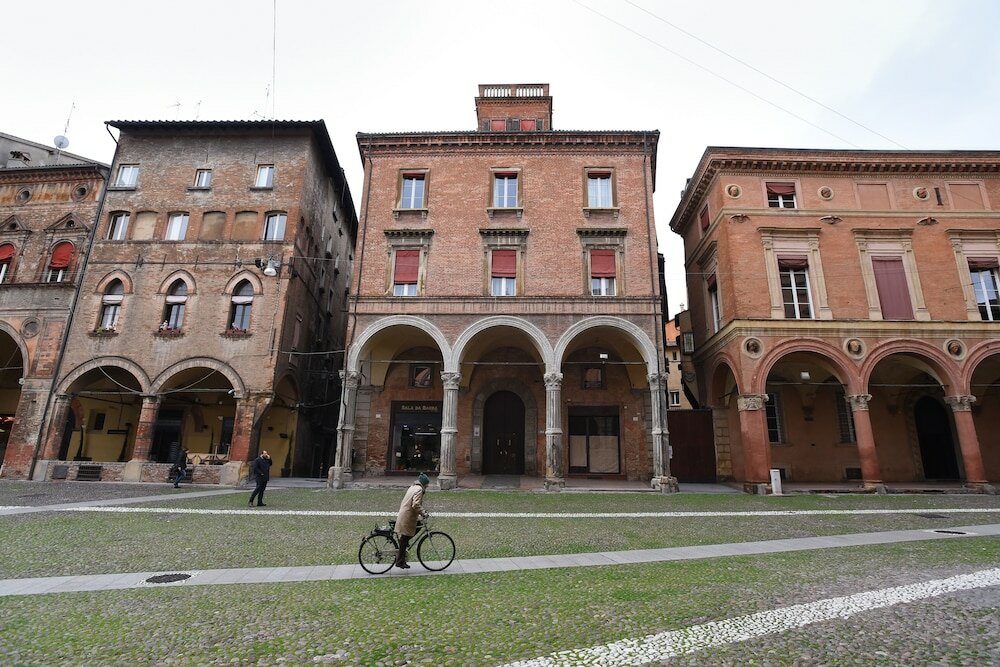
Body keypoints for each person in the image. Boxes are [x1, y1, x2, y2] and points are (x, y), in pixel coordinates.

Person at [394, 472, 430, 569]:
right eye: (427, 484)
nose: (427, 486)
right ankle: (400, 561)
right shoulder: (419, 489)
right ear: (424, 484)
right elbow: (415, 504)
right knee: (405, 539)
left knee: (416, 527)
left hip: (406, 514)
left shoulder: (413, 487)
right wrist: (424, 513)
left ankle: (403, 550)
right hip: (407, 516)